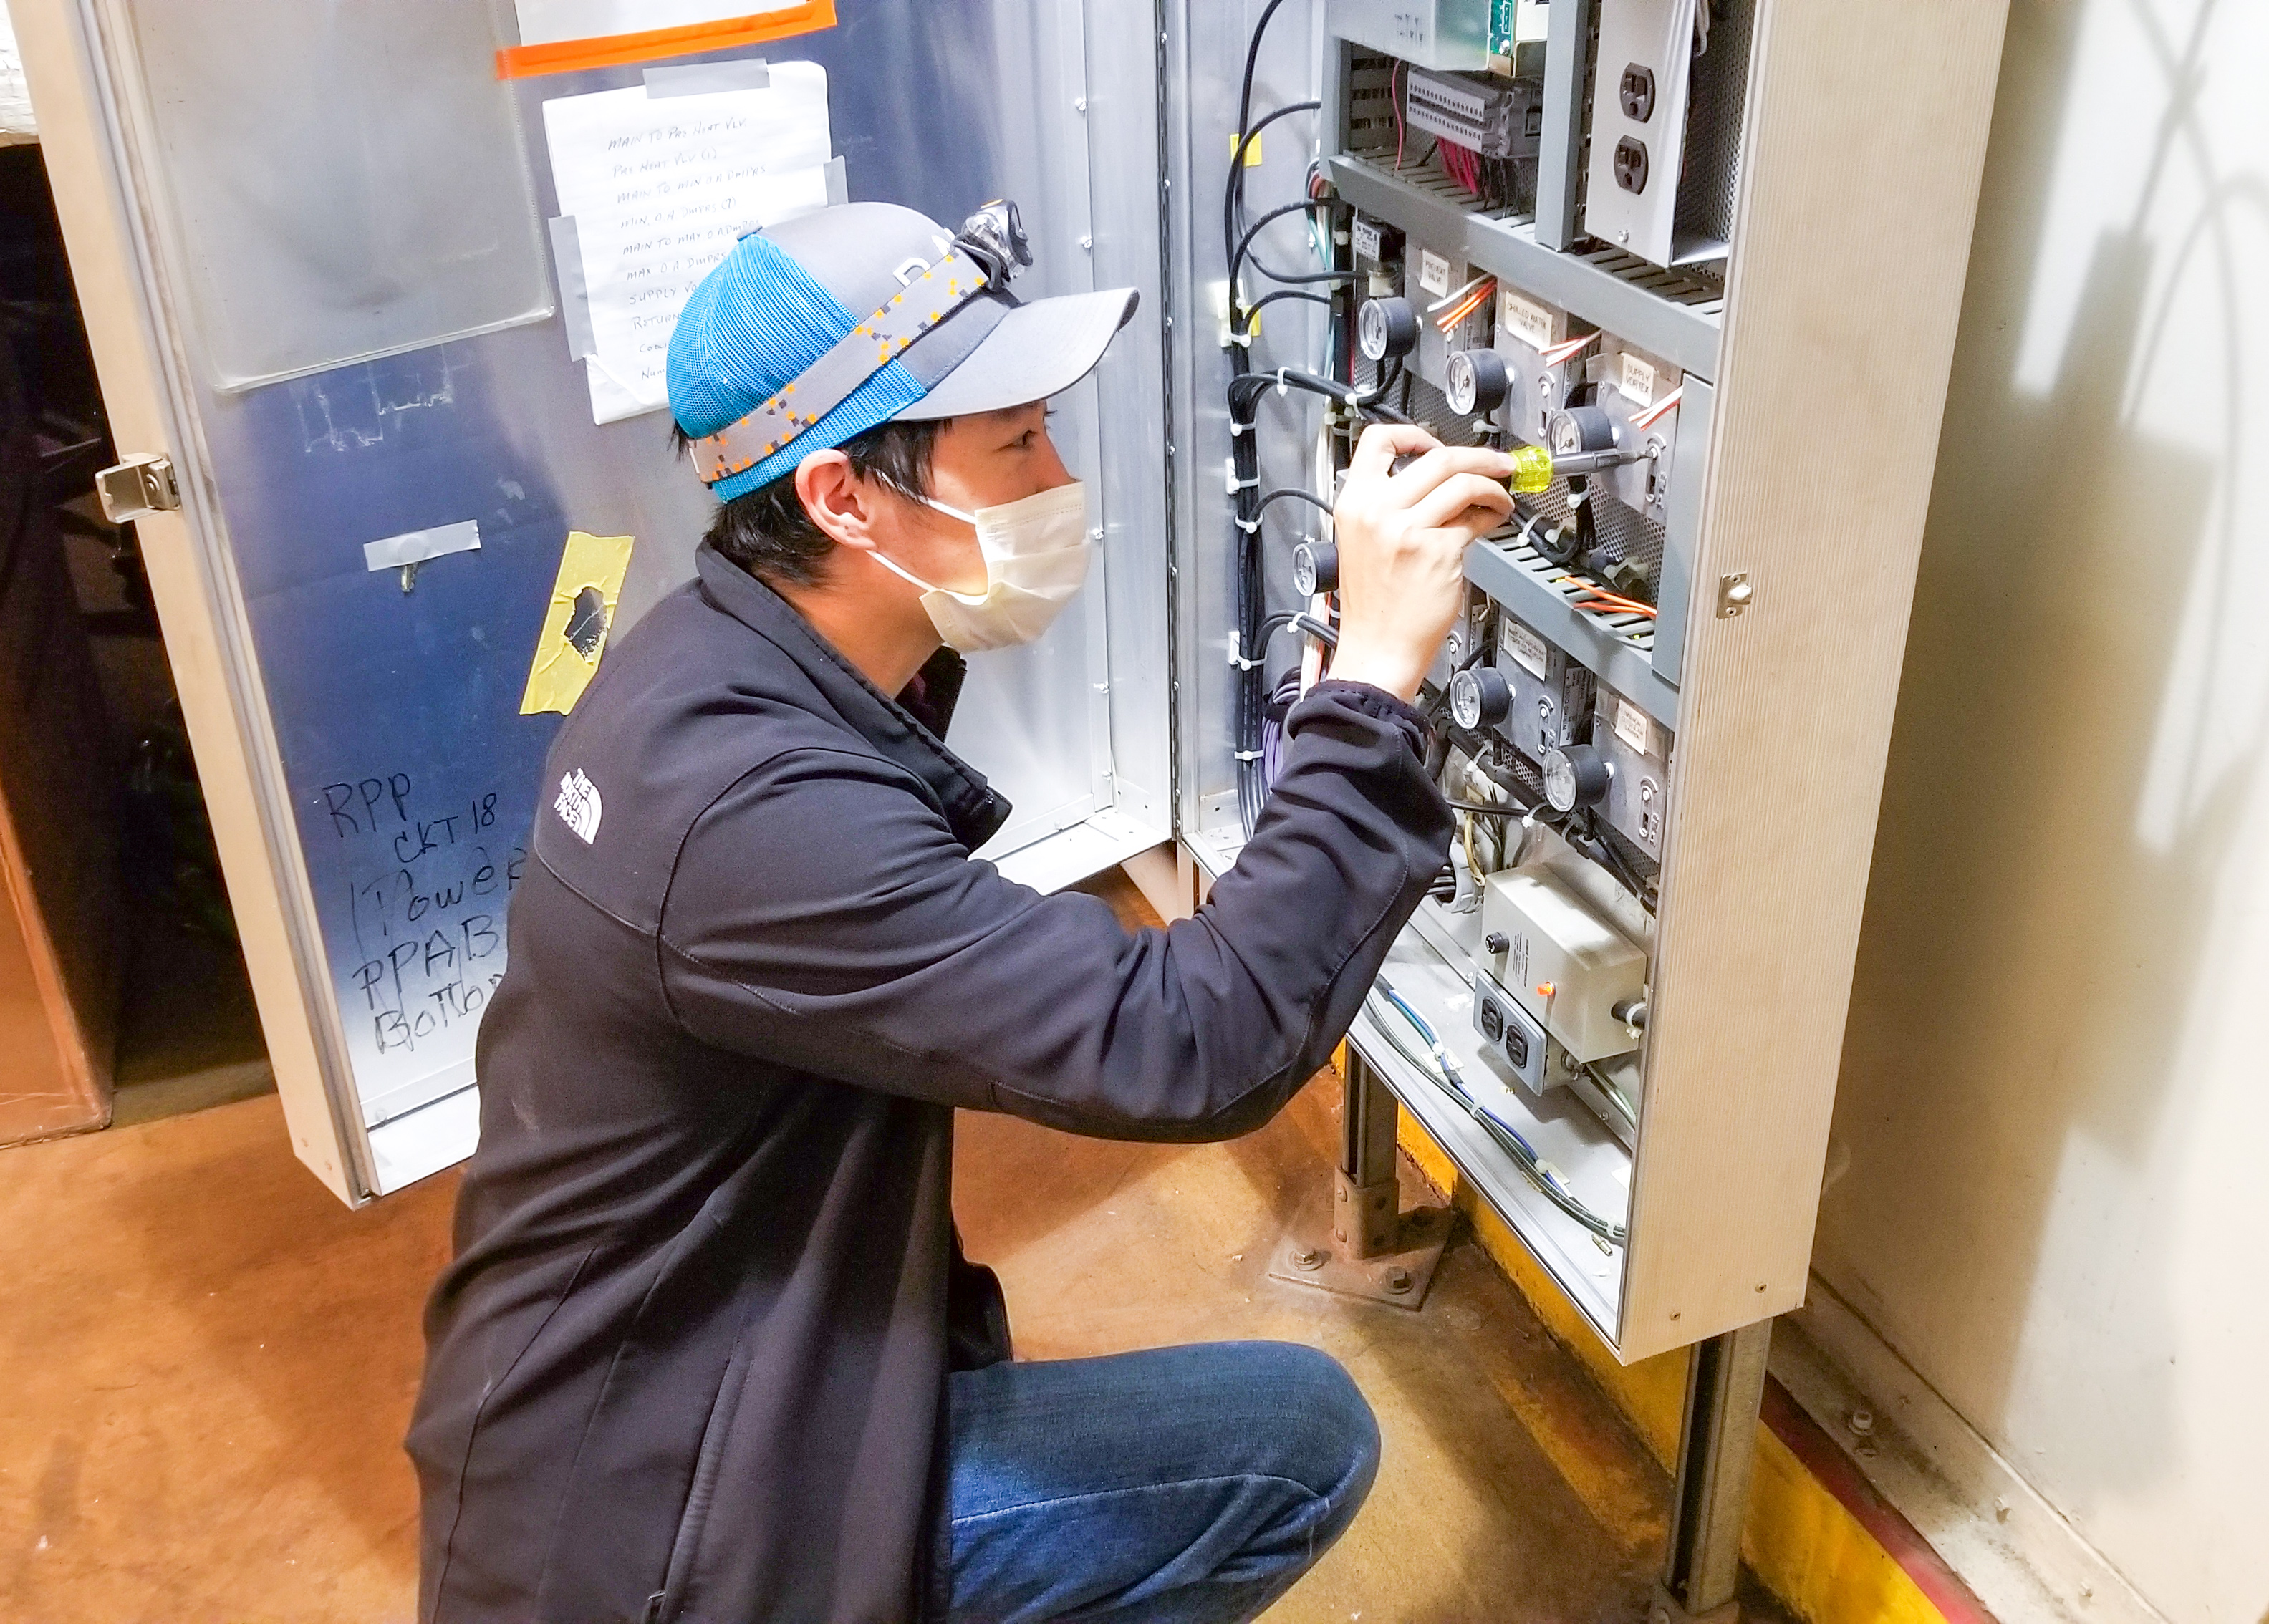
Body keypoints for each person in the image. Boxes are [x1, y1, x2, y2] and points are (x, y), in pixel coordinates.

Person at [406, 200, 1516, 1624]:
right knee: (1297, 1443)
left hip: (632, 1417)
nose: (1061, 478)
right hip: (661, 1555)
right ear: (842, 499)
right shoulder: (747, 816)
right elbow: (1196, 1041)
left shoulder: (722, 668)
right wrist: (1367, 691)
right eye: (1014, 448)